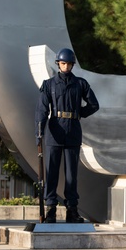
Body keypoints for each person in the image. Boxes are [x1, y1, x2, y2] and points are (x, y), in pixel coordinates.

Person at [35, 48, 100, 223]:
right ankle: (51, 210)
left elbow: (94, 104)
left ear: (72, 65)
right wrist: (39, 131)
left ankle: (72, 210)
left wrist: (80, 113)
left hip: (72, 130)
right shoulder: (48, 84)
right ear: (58, 64)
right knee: (52, 173)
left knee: (71, 175)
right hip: (54, 131)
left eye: (69, 64)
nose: (66, 66)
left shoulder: (80, 84)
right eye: (63, 63)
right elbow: (42, 110)